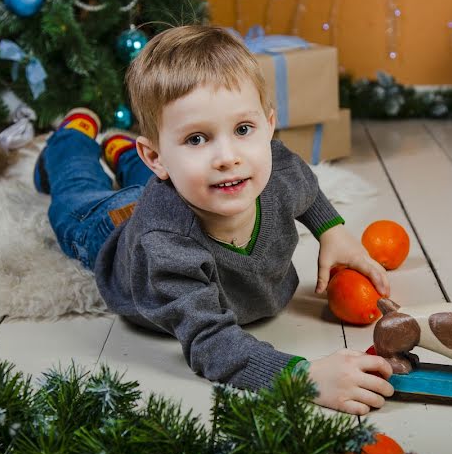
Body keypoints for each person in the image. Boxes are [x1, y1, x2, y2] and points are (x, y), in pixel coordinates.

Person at [34, 25, 395, 415]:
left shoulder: (273, 168)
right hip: (111, 226)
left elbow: (304, 184)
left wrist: (331, 229)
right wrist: (300, 377)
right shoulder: (166, 244)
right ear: (155, 157)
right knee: (75, 193)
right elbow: (211, 343)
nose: (228, 157)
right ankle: (71, 138)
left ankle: (122, 153)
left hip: (178, 186)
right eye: (196, 139)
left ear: (268, 126)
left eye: (243, 129)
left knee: (182, 179)